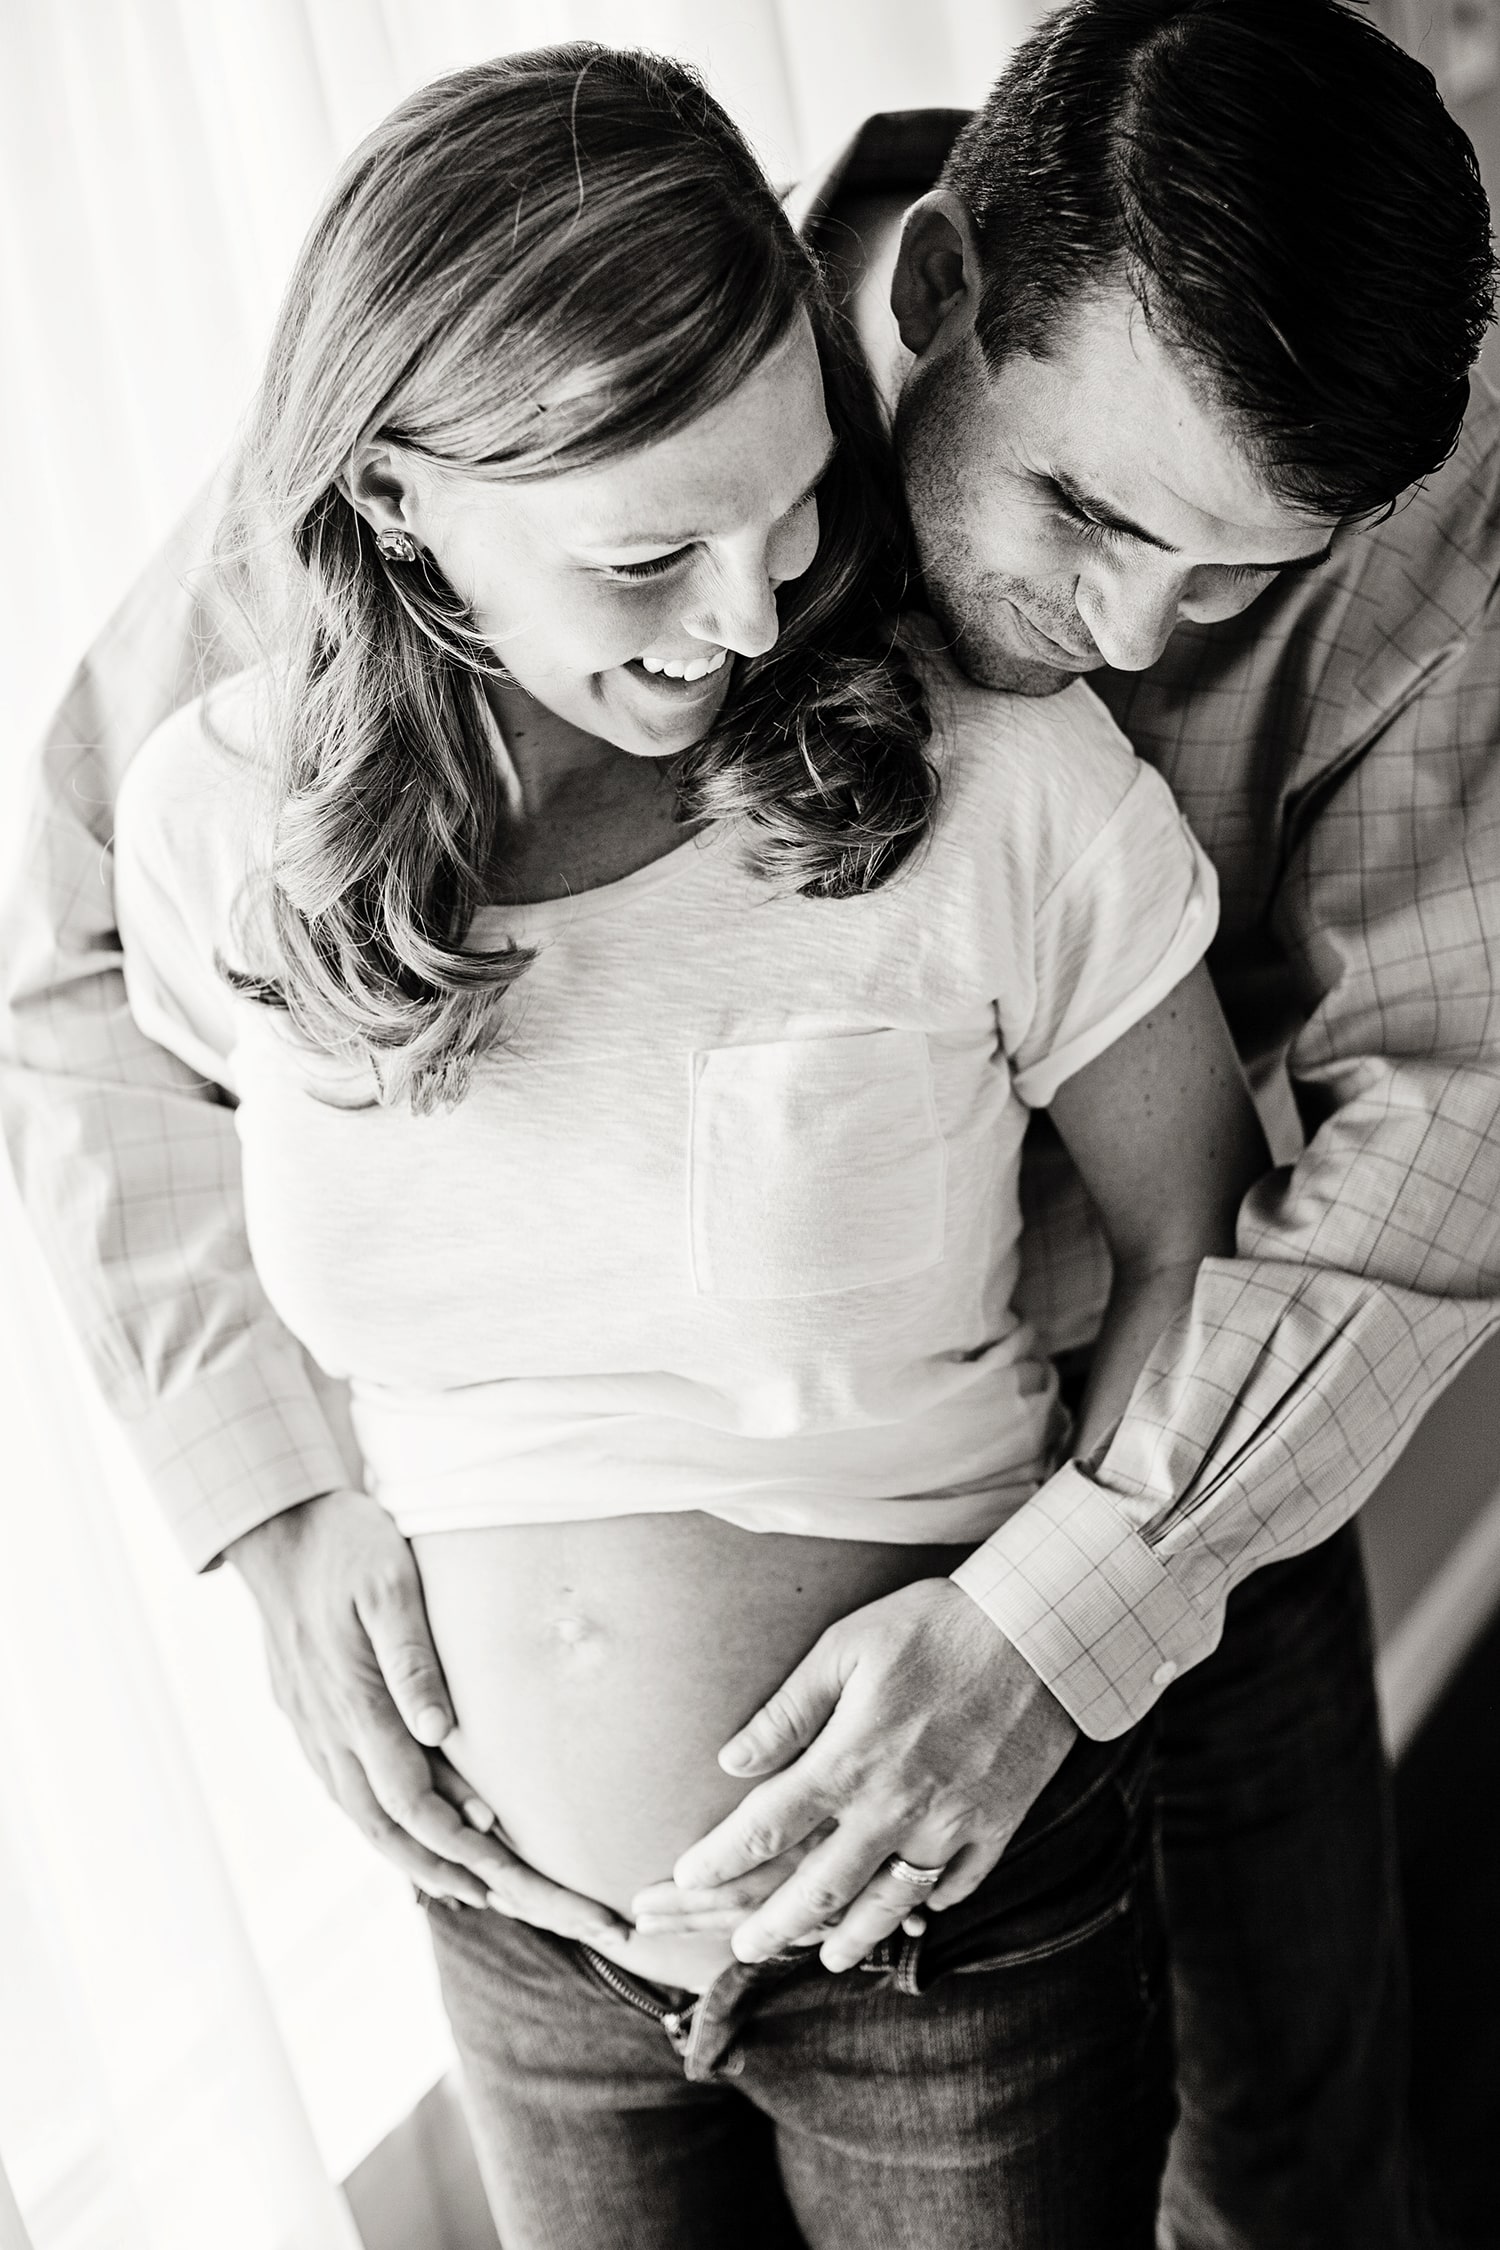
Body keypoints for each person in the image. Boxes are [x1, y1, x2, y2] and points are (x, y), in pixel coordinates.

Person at [0, 2, 1495, 2244]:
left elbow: (1437, 1140)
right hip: (557, 1928)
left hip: (1193, 1478)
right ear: (939, 291)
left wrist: (1053, 1621)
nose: (1131, 636)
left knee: (1286, 2170)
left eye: (1231, 577)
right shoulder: (525, 383)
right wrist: (277, 1503)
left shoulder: (1420, 552)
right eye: (1086, 509)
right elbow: (94, 948)